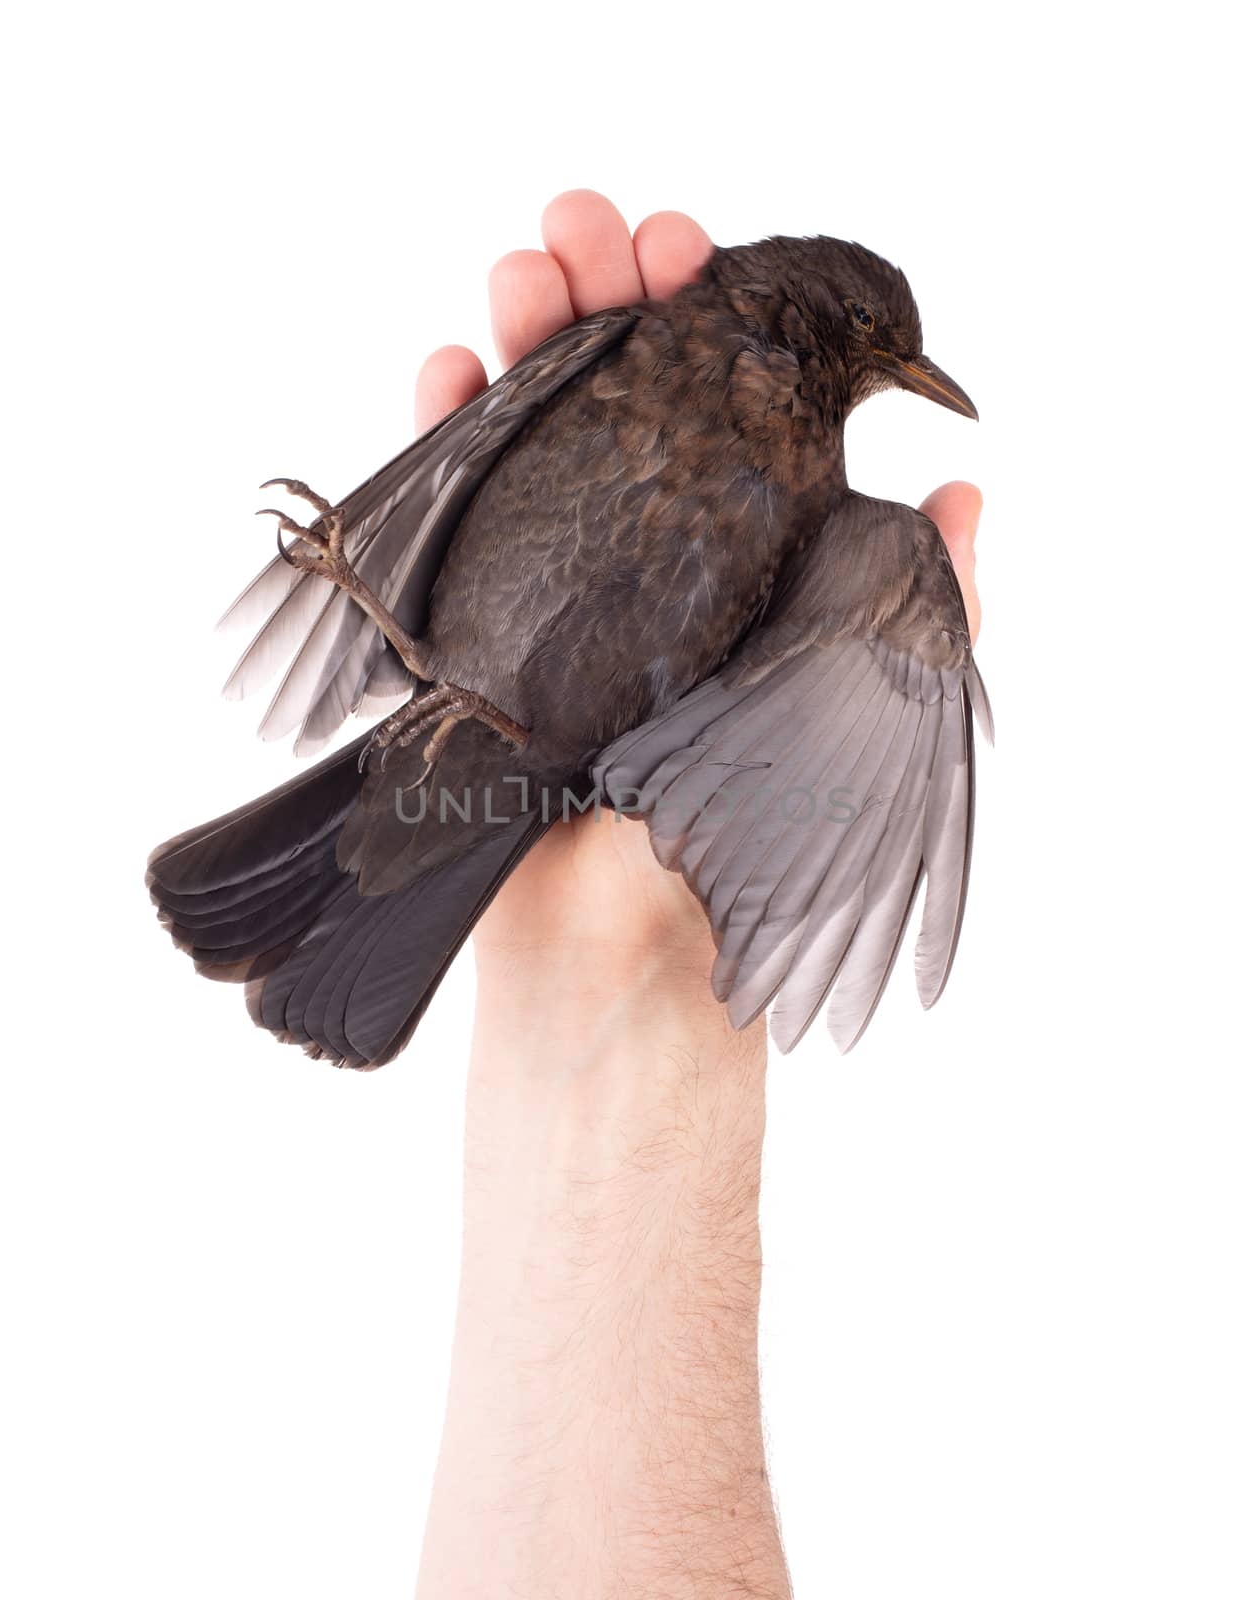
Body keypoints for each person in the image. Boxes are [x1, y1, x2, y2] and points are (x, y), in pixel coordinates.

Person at [411, 190, 984, 1600]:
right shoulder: (644, 346)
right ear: (808, 328)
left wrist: (643, 968)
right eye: (878, 349)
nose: (904, 376)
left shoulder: (839, 523)